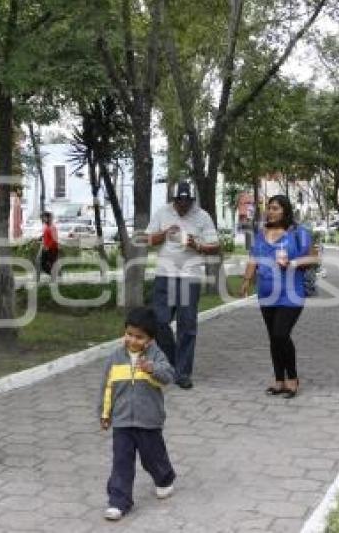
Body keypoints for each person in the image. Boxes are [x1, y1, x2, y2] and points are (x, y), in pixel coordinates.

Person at [98, 307, 176, 521]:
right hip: (122, 421)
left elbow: (169, 375)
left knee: (152, 457)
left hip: (149, 420)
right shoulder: (115, 357)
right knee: (121, 460)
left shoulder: (156, 355)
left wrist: (152, 368)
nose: (133, 340)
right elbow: (107, 387)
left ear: (150, 339)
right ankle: (118, 501)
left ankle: (164, 477)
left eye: (139, 337)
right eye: (129, 334)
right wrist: (104, 414)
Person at [240, 195, 318, 398]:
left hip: (291, 293)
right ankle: (279, 380)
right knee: (273, 338)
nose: (270, 212)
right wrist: (246, 280)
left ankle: (292, 378)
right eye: (269, 208)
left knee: (281, 334)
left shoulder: (298, 233)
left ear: (285, 210)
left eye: (275, 208)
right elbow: (253, 258)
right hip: (266, 293)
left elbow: (313, 257)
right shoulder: (261, 232)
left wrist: (292, 263)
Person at [146, 181, 219, 389]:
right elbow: (149, 240)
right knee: (160, 322)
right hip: (165, 275)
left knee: (187, 325)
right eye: (180, 201)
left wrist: (196, 244)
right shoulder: (162, 213)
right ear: (174, 199)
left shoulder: (202, 216)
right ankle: (173, 362)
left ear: (192, 200)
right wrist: (166, 232)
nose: (183, 205)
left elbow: (214, 247)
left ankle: (183, 373)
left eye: (187, 201)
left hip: (190, 276)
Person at [38, 211, 59, 277]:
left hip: (52, 248)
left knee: (50, 263)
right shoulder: (46, 226)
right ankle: (54, 274)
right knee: (43, 263)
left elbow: (54, 239)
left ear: (49, 218)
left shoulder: (52, 227)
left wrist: (48, 247)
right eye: (42, 218)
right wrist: (40, 238)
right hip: (46, 248)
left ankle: (55, 275)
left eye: (44, 218)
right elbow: (46, 235)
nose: (42, 219)